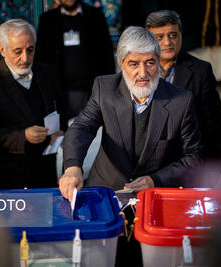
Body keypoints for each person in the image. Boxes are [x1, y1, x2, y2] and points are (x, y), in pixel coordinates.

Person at [59, 26, 201, 201]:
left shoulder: (181, 101)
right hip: (106, 193)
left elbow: (193, 158)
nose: (142, 73)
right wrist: (72, 167)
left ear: (158, 60)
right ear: (121, 64)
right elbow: (81, 128)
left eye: (150, 63)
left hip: (155, 198)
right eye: (134, 64)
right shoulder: (105, 89)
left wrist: (155, 180)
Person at [0, 19, 67, 191]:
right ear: (2, 50)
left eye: (30, 50)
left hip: (45, 171)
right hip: (7, 177)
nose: (26, 58)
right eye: (17, 52)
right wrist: (22, 136)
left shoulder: (46, 72)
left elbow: (63, 110)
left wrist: (59, 131)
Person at [145, 10, 221, 158]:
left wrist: (213, 167)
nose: (167, 42)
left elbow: (213, 125)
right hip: (148, 161)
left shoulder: (201, 71)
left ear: (181, 35)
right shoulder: (140, 69)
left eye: (173, 35)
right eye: (159, 37)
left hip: (188, 160)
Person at [34, 0, 116, 119]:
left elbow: (107, 54)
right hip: (60, 94)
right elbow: (41, 59)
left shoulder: (95, 15)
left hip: (93, 91)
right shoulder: (47, 19)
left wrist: (108, 90)